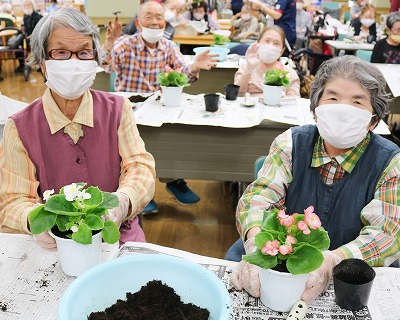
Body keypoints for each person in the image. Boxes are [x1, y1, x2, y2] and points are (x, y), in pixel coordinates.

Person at [228, 55, 400, 302]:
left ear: (373, 120)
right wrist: (256, 242)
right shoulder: (291, 143)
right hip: (280, 257)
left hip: (351, 269)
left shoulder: (390, 162)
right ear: (316, 109)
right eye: (332, 98)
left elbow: (388, 232)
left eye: (357, 101)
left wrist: (332, 261)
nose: (343, 109)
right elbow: (258, 197)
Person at [0, 8, 156, 250]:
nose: (74, 62)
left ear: (94, 59)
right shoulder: (20, 127)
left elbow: (139, 167)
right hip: (55, 246)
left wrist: (122, 202)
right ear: (42, 63)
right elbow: (12, 201)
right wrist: (37, 221)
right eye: (61, 52)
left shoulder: (117, 109)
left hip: (117, 237)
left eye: (84, 52)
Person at [103, 1, 218, 213]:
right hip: (131, 113)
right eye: (149, 17)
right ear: (138, 23)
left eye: (159, 17)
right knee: (134, 149)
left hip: (160, 109)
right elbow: (106, 65)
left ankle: (173, 179)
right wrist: (109, 44)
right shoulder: (125, 44)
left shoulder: (169, 46)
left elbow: (185, 73)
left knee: (173, 136)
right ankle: (143, 193)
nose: (155, 22)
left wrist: (194, 66)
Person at [234, 26, 300, 97]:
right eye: (267, 41)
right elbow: (236, 94)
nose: (270, 46)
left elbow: (295, 102)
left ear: (281, 51)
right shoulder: (245, 66)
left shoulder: (291, 74)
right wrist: (249, 68)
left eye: (276, 43)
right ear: (258, 43)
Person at [15, 0, 42, 73]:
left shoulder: (38, 16)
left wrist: (30, 36)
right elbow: (25, 28)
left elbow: (39, 30)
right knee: (17, 46)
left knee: (34, 43)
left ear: (33, 6)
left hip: (35, 37)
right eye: (25, 6)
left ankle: (38, 64)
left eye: (29, 5)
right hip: (26, 37)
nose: (27, 7)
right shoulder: (25, 16)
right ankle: (22, 64)